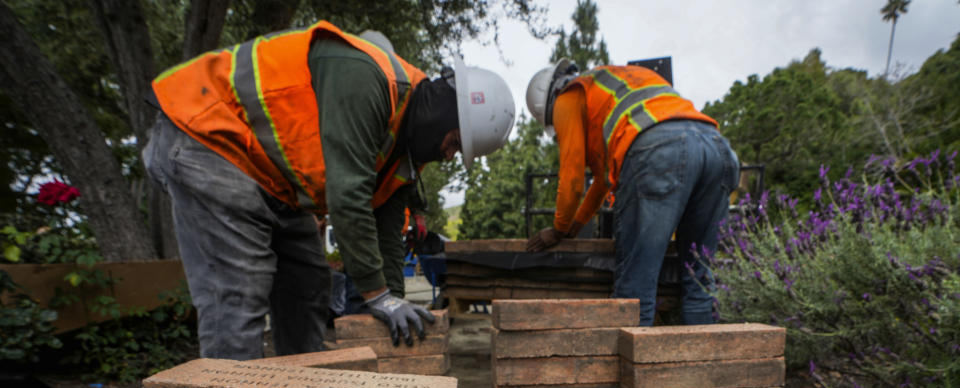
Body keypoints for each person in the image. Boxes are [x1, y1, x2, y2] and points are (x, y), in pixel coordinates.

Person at [144, 21, 514, 358]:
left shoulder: (403, 149)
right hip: (210, 134)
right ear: (444, 114)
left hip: (269, 175)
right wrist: (378, 298)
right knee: (238, 297)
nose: (449, 156)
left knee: (308, 283)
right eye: (453, 143)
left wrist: (395, 302)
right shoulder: (368, 79)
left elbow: (386, 231)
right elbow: (348, 199)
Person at [525, 60, 739, 326]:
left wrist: (557, 229)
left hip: (659, 152)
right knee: (699, 280)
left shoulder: (568, 96)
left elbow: (572, 177)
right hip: (717, 149)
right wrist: (574, 227)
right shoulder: (616, 86)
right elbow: (602, 183)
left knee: (634, 291)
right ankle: (701, 366)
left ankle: (631, 367)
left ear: (551, 100)